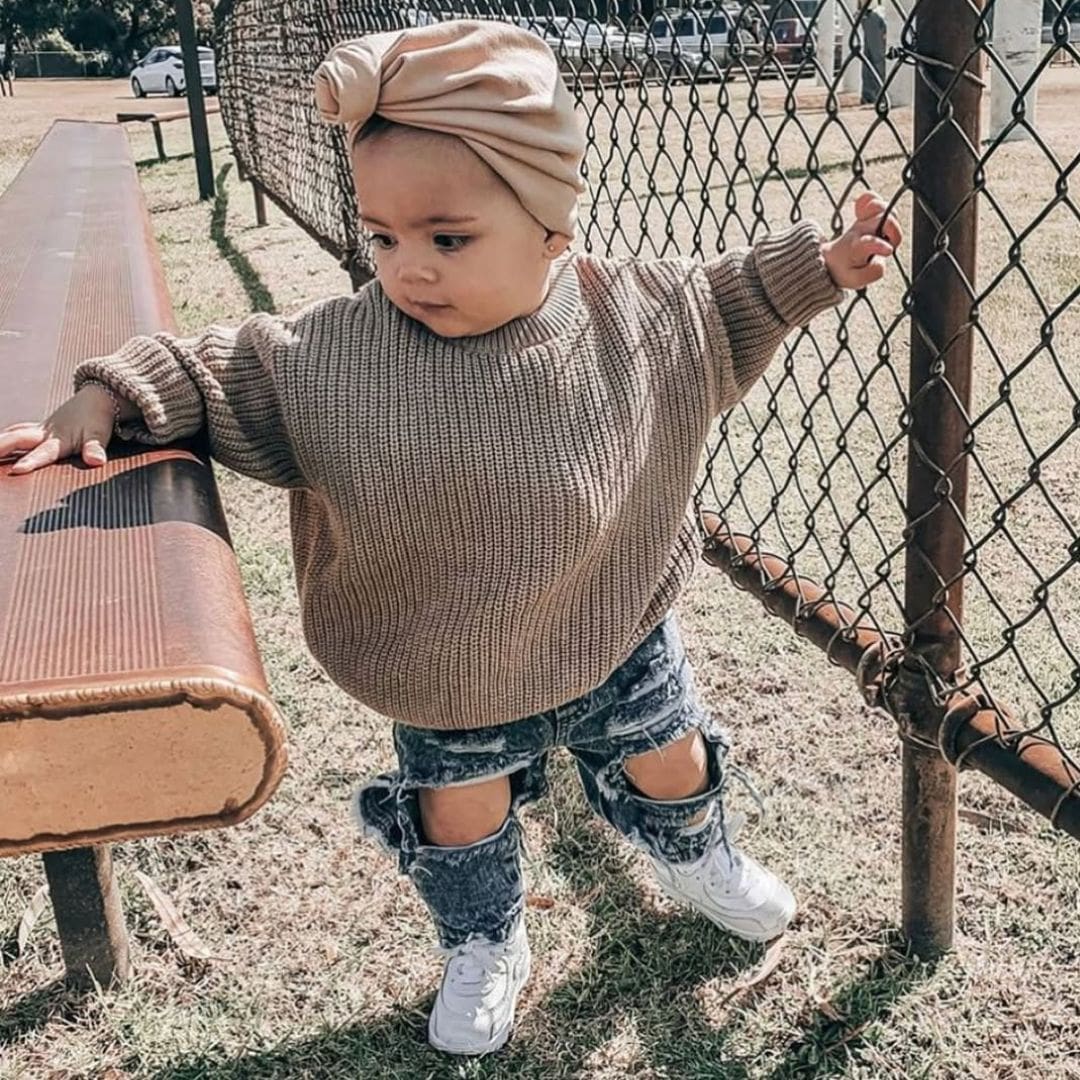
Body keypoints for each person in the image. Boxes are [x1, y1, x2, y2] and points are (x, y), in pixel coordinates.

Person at [0, 20, 901, 1058]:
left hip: (616, 628)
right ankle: (485, 939)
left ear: (553, 230)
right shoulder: (334, 356)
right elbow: (218, 368)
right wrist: (111, 394)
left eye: (447, 238)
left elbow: (729, 298)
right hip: (446, 666)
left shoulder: (636, 317)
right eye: (382, 236)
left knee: (673, 760)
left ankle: (696, 854)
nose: (407, 268)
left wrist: (825, 264)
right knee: (460, 821)